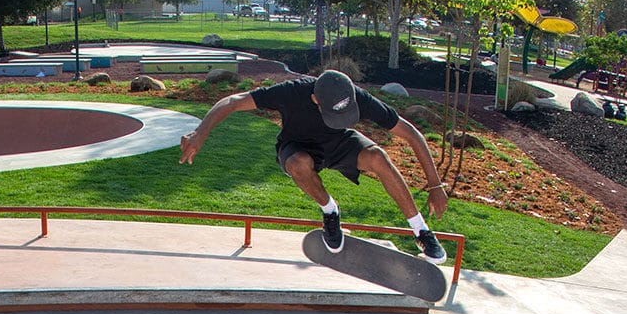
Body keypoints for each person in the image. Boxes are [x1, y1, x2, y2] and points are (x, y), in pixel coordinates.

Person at [178, 69, 450, 260]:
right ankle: (330, 211)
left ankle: (421, 231)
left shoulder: (358, 97)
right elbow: (233, 101)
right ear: (316, 99)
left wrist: (435, 184)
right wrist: (200, 133)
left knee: (378, 157)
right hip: (297, 146)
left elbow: (411, 133)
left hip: (339, 143)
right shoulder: (292, 92)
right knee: (298, 164)